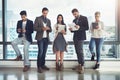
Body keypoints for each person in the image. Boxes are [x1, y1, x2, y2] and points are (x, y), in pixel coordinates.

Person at [69, 8, 89, 74]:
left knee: (80, 51)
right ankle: (80, 64)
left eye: (75, 14)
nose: (74, 15)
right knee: (77, 51)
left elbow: (87, 27)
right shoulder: (74, 20)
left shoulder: (84, 18)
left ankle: (82, 66)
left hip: (81, 37)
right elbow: (74, 30)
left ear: (78, 12)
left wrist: (79, 27)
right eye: (73, 14)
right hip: (75, 37)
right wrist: (71, 29)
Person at [34, 7, 52, 73]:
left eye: (46, 13)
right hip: (40, 38)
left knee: (44, 53)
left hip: (46, 39)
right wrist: (42, 29)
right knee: (40, 52)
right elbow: (34, 28)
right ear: (42, 12)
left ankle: (43, 65)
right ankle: (39, 67)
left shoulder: (48, 20)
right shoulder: (38, 18)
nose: (45, 14)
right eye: (44, 13)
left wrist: (48, 28)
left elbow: (51, 29)